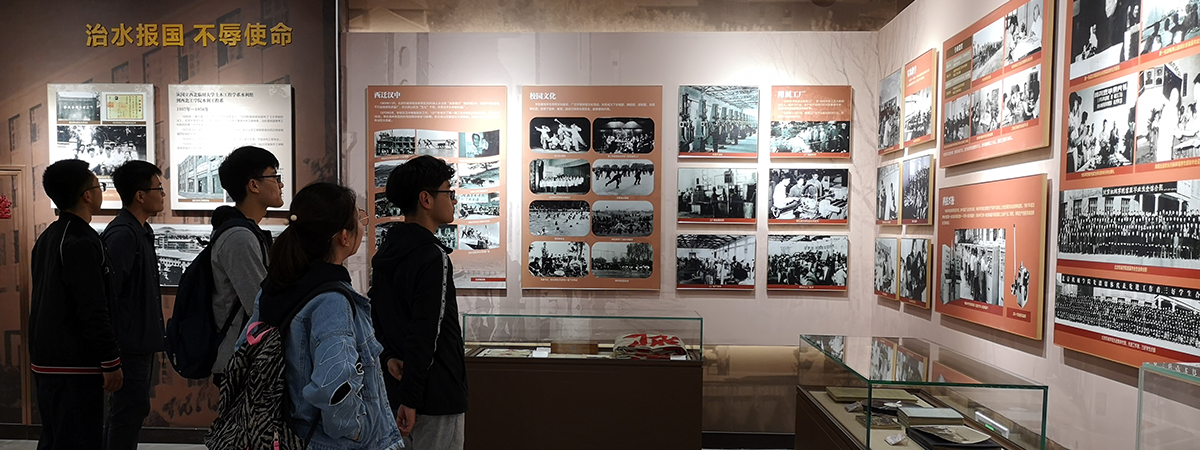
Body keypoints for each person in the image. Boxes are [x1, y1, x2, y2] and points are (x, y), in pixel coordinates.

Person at [242, 182, 403, 450]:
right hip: (333, 443)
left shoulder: (274, 288)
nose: (362, 225)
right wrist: (356, 431)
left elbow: (244, 349)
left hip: (288, 432)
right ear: (343, 237)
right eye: (359, 218)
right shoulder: (332, 301)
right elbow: (334, 385)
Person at [370, 155, 468, 449]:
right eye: (447, 192)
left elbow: (376, 316)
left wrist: (389, 357)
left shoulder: (387, 252)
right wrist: (411, 399)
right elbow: (426, 331)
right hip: (434, 393)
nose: (453, 200)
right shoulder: (431, 255)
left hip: (398, 389)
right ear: (426, 199)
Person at [30, 160, 123, 450]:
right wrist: (110, 361)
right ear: (86, 195)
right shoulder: (81, 240)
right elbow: (92, 307)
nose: (101, 191)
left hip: (50, 362)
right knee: (78, 440)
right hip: (74, 365)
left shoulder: (49, 236)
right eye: (99, 185)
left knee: (56, 438)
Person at [102, 160, 166, 450]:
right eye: (158, 189)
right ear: (140, 195)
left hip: (139, 342)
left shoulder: (141, 231)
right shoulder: (123, 235)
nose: (162, 195)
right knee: (127, 412)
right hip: (128, 345)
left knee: (133, 409)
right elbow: (110, 296)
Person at [210, 146, 284, 381]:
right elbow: (259, 303)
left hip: (246, 356)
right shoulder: (239, 237)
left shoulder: (245, 231)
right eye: (275, 177)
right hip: (240, 360)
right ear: (254, 185)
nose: (281, 184)